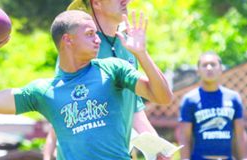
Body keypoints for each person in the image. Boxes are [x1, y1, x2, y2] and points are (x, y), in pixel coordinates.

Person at [0, 10, 173, 160]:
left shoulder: (113, 70)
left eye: (96, 34)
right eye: (89, 34)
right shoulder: (44, 92)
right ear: (68, 40)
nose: (97, 40)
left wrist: (142, 55)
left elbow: (163, 97)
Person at [44, 0, 166, 159]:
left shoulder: (128, 43)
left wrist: (156, 145)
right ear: (96, 4)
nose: (127, 1)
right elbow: (64, 105)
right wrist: (49, 152)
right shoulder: (80, 45)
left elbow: (133, 104)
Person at [178, 52, 247, 160]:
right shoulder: (190, 100)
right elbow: (185, 137)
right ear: (198, 71)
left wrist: (245, 158)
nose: (209, 68)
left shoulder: (233, 98)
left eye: (213, 64)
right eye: (204, 65)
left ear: (221, 69)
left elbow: (240, 134)